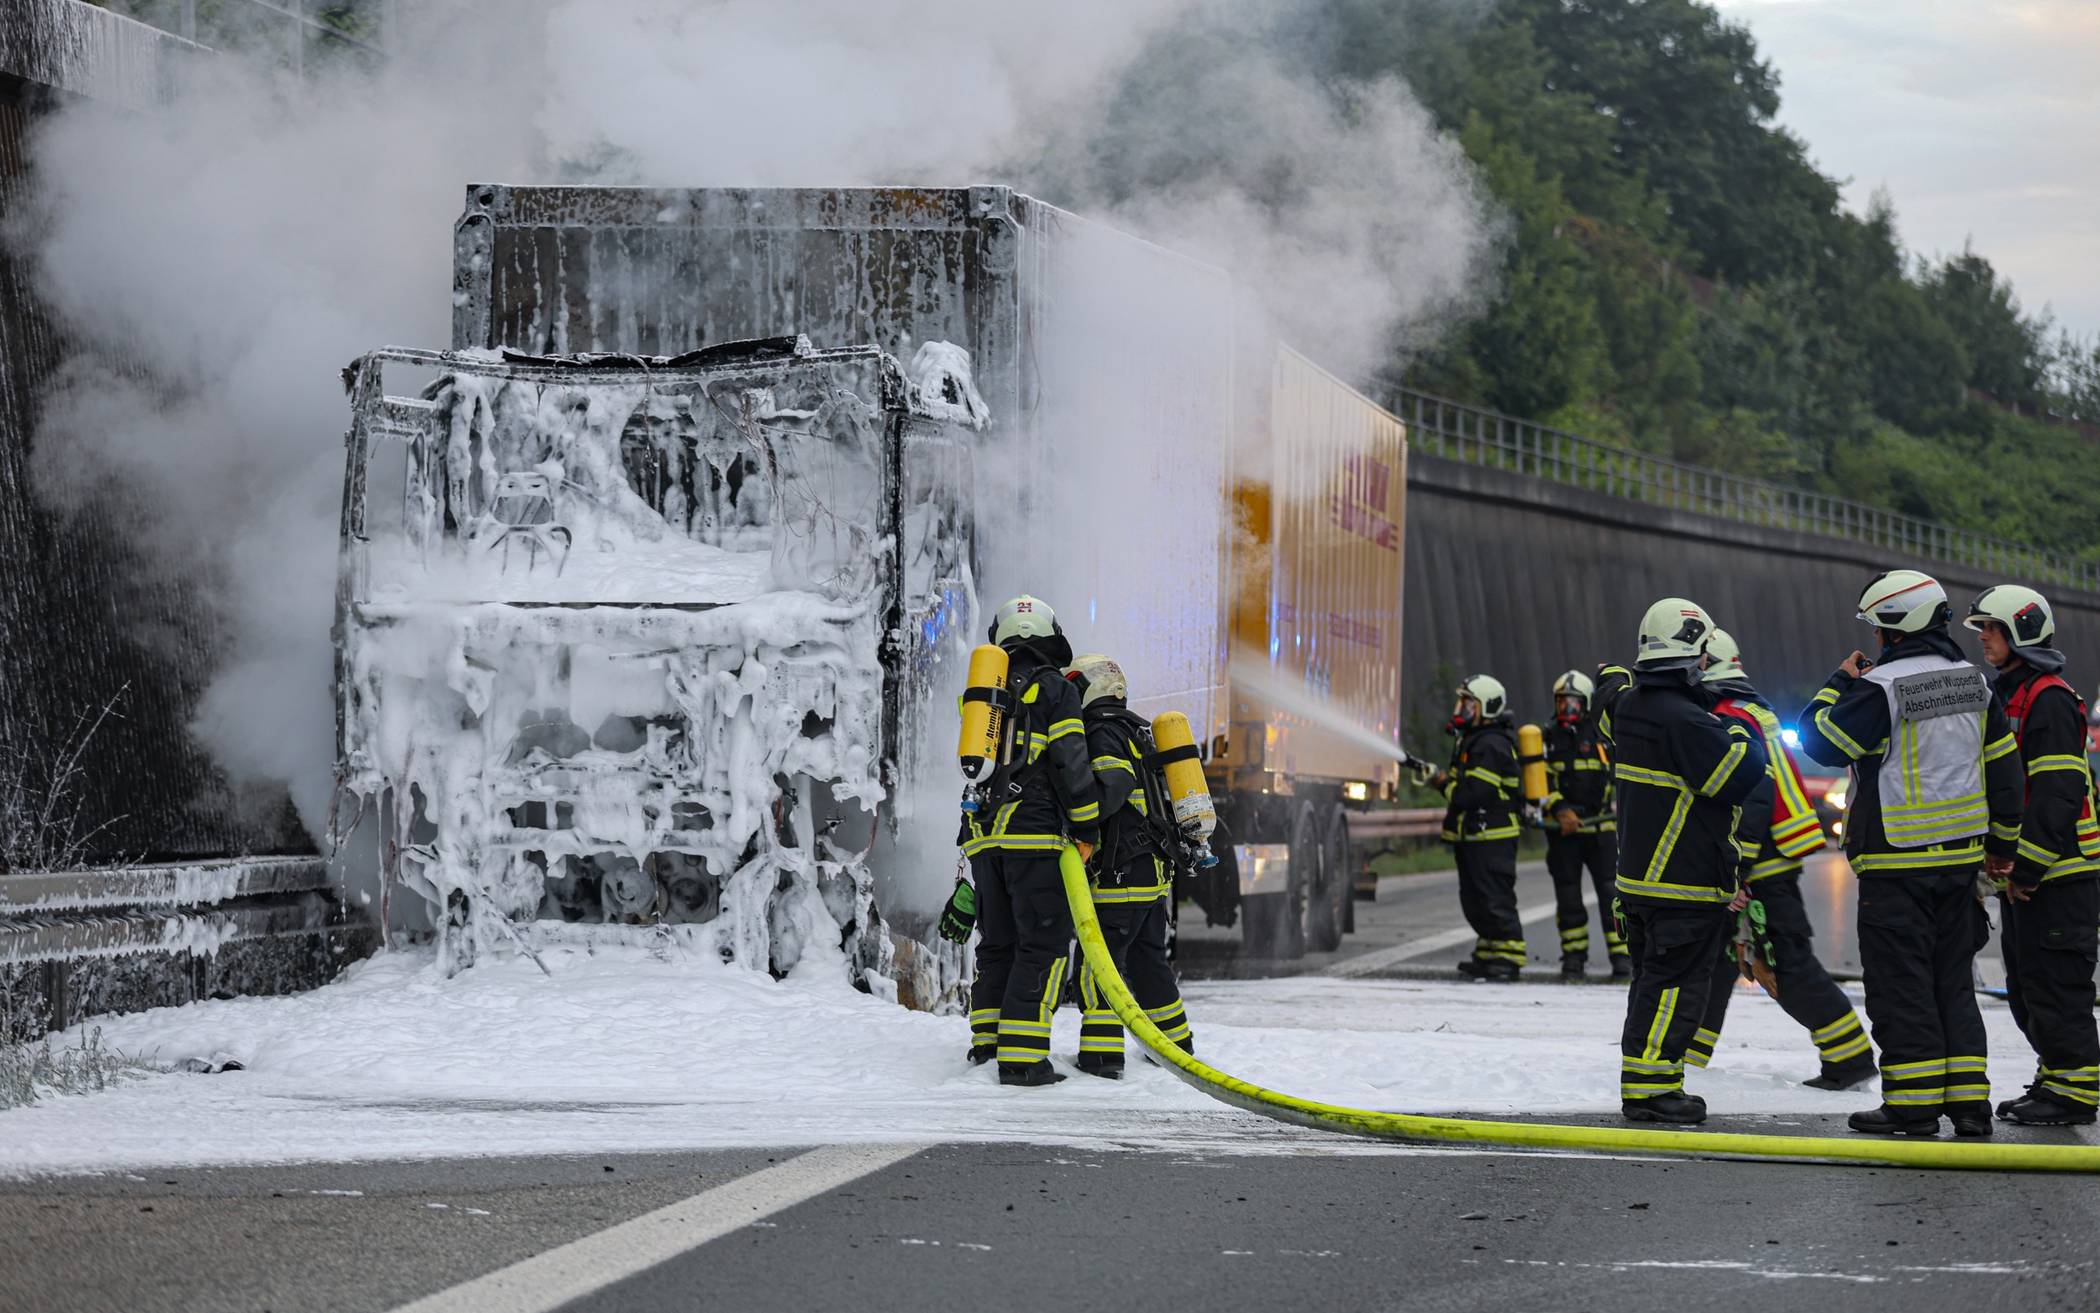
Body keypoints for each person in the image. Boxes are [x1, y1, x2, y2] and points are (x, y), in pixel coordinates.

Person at [1796, 569, 2022, 1137]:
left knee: (1902, 987)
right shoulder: (1976, 684)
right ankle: (1969, 1106)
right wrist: (2001, 846)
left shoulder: (1881, 688)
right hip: (1960, 865)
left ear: (1893, 628)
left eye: (1876, 628)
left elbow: (1820, 741)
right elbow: (2004, 771)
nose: (1874, 639)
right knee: (1953, 984)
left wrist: (1837, 682)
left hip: (1896, 864)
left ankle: (1913, 1106)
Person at [1685, 628, 1877, 1090]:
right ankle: (1687, 1059)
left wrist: (1738, 869)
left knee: (1787, 966)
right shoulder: (1745, 709)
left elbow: (1753, 794)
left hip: (1760, 869)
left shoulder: (1731, 716)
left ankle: (1850, 1058)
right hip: (1764, 862)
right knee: (1715, 964)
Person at [1606, 599, 1767, 1125]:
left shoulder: (1629, 707)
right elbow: (1737, 775)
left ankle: (1651, 1082)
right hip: (1683, 884)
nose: (1705, 665)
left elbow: (1607, 696)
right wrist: (1741, 729)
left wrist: (1611, 676)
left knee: (1650, 984)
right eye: (1703, 655)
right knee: (1675, 988)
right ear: (1692, 655)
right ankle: (1652, 1092)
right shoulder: (1688, 722)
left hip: (1640, 883)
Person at [1963, 585, 2100, 1125]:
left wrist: (2029, 868)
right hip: (2033, 876)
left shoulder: (2049, 699)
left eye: (1991, 628)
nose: (1983, 638)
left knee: (2057, 987)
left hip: (2059, 877)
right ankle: (2055, 1077)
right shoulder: (2012, 694)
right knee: (2028, 986)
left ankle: (2074, 1094)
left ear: (2019, 632)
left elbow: (2056, 794)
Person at [951, 596, 1102, 1086]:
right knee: (1043, 945)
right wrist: (1087, 827)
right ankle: (1022, 1058)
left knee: (997, 944)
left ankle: (987, 1044)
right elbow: (1071, 761)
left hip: (983, 837)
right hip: (1034, 836)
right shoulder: (1056, 688)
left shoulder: (986, 690)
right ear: (1049, 635)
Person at [1062, 653, 1196, 1078]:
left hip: (1119, 878)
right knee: (1147, 963)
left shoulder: (1102, 733)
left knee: (1098, 971)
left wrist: (1077, 816)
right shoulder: (1136, 729)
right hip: (1150, 878)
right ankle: (1175, 1048)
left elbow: (1113, 787)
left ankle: (1102, 1059)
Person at [1430, 675, 1526, 980]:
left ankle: (1509, 957)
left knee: (1494, 898)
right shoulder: (1474, 740)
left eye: (1468, 703)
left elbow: (1474, 794)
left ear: (1486, 706)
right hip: (1476, 835)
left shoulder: (1491, 744)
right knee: (1475, 900)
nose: (1461, 708)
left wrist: (1442, 783)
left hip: (1492, 836)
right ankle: (1489, 953)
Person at [1541, 670, 1626, 978]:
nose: (1567, 708)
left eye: (1573, 702)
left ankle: (1622, 958)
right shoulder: (1548, 737)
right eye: (1561, 702)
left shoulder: (1602, 734)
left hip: (1600, 830)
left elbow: (1620, 776)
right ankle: (1573, 957)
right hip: (1565, 832)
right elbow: (1539, 783)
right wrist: (1559, 808)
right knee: (1568, 897)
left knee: (1611, 894)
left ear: (1587, 703)